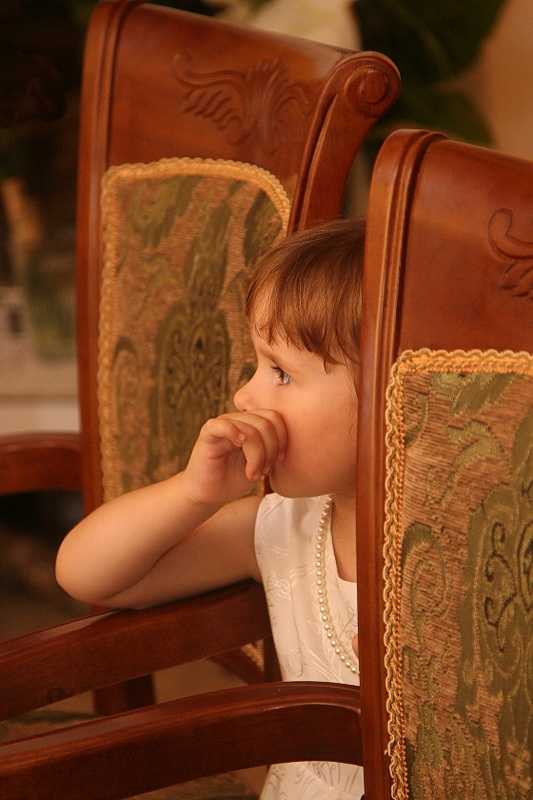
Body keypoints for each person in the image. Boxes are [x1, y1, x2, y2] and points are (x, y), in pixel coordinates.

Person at [56, 216, 366, 800]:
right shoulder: (282, 529)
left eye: (281, 373)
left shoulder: (467, 563)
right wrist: (193, 494)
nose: (244, 394)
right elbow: (86, 573)